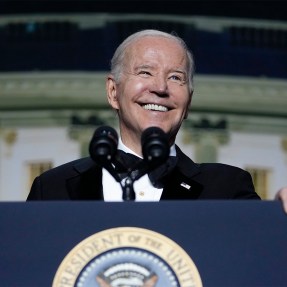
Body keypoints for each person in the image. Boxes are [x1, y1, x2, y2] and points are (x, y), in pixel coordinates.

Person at [28, 29, 278, 203]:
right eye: (145, 72)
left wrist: (278, 220)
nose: (160, 87)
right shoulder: (52, 188)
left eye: (175, 77)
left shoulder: (226, 188)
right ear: (113, 91)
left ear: (188, 102)